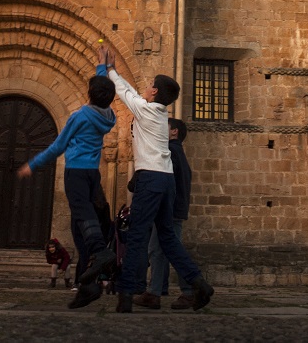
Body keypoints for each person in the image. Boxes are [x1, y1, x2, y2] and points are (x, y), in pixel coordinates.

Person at [97, 45, 214, 313]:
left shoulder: (146, 110)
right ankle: (199, 285)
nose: (146, 88)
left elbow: (124, 91)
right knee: (168, 239)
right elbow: (133, 94)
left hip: (150, 179)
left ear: (155, 92)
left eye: (150, 85)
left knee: (137, 237)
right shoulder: (160, 114)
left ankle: (126, 296)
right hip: (167, 181)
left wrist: (108, 67)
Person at [18, 72, 116, 309]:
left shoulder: (79, 116)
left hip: (76, 172)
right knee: (81, 225)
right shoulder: (109, 116)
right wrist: (102, 68)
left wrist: (33, 164)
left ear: (89, 94)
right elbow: (102, 94)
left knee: (83, 216)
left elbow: (58, 146)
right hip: (93, 174)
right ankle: (87, 286)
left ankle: (100, 253)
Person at [133, 118, 195, 310]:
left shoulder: (169, 151)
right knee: (157, 251)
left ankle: (191, 290)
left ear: (174, 132)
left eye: (165, 127)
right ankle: (154, 293)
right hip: (171, 209)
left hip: (170, 210)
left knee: (171, 250)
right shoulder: (176, 152)